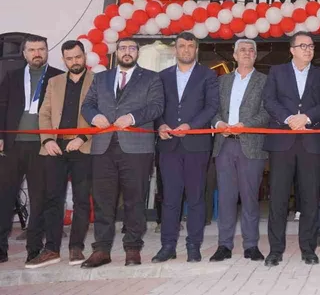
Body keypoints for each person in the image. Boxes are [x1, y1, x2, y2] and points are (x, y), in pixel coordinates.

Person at [80, 38, 165, 268]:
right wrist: (94, 116)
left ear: (138, 52)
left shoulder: (151, 78)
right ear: (116, 52)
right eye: (123, 48)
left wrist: (132, 118)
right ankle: (102, 250)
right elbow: (87, 105)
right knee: (103, 201)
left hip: (137, 149)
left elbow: (157, 106)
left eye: (132, 48)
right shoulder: (101, 78)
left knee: (134, 200)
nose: (127, 52)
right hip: (103, 148)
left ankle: (133, 248)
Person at [262, 32, 320, 266]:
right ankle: (275, 250)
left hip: (311, 144)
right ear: (292, 50)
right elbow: (269, 100)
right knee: (278, 199)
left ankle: (308, 249)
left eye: (311, 46)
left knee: (310, 198)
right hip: (282, 142)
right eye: (303, 46)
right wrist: (289, 118)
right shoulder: (277, 72)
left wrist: (307, 118)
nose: (308, 50)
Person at [152, 32, 220, 263]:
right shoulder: (162, 76)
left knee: (196, 198)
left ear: (196, 50)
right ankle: (168, 246)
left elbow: (211, 106)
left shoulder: (208, 75)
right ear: (175, 49)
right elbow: (156, 106)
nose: (186, 50)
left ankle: (193, 246)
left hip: (196, 145)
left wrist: (191, 126)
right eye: (182, 46)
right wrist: (161, 124)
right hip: (168, 144)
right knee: (170, 198)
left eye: (191, 46)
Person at [24, 41, 92, 268]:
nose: (74, 61)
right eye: (69, 58)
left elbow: (102, 113)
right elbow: (44, 114)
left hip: (83, 147)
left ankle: (76, 248)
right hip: (54, 147)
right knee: (52, 199)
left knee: (82, 200)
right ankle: (51, 249)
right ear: (63, 60)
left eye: (78, 57)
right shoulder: (54, 82)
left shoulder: (98, 81)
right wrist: (48, 140)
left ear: (84, 56)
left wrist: (81, 138)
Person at [0, 34, 63, 265]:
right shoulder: (12, 76)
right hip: (12, 146)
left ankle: (34, 249)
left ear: (47, 51)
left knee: (39, 200)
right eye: (32, 50)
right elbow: (1, 106)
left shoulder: (58, 77)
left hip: (42, 146)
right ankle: (0, 249)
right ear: (24, 53)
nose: (37, 53)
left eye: (41, 49)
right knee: (4, 197)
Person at [209, 39, 270, 262]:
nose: (247, 53)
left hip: (251, 145)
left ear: (255, 56)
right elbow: (213, 109)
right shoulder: (221, 81)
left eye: (251, 50)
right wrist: (219, 124)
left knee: (250, 198)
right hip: (224, 145)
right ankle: (224, 245)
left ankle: (251, 245)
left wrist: (247, 126)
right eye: (242, 50)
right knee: (226, 198)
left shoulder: (265, 81)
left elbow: (267, 112)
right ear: (234, 56)